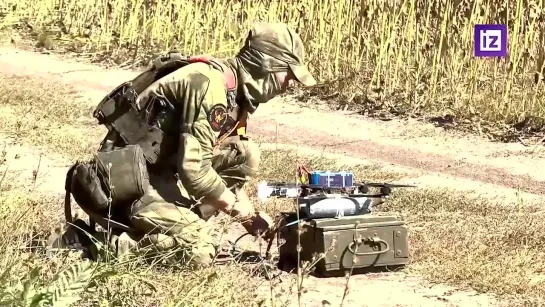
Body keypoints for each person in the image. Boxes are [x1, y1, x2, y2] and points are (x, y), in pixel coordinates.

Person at [62, 22, 317, 266]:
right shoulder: (210, 85)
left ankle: (180, 219)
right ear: (266, 65)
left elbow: (204, 161)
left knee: (243, 154)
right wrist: (244, 215)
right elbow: (195, 172)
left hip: (160, 171)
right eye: (288, 75)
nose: (288, 85)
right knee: (199, 249)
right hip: (126, 182)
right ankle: (100, 244)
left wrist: (251, 220)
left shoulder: (233, 93)